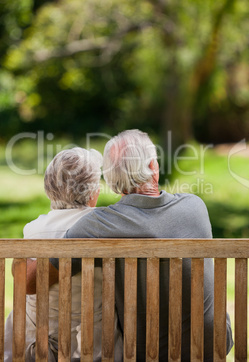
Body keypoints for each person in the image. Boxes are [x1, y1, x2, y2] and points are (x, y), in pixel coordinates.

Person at [28, 130, 234, 361]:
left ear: (111, 181)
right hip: (211, 345)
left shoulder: (99, 226)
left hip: (149, 353)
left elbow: (32, 282)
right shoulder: (195, 207)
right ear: (153, 167)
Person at [4, 147, 123, 362]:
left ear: (49, 188)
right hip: (96, 349)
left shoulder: (34, 230)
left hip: (36, 349)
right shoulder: (106, 227)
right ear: (93, 193)